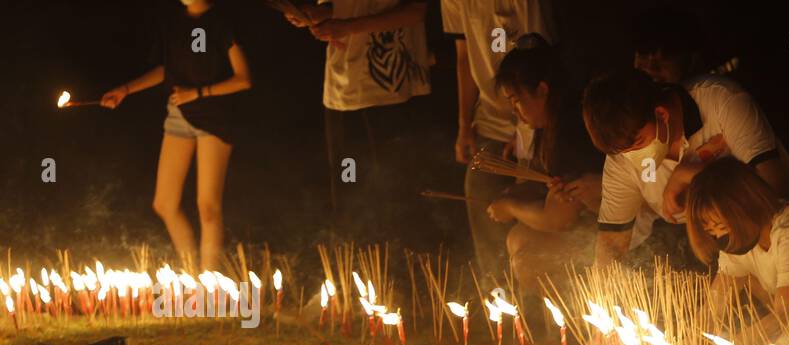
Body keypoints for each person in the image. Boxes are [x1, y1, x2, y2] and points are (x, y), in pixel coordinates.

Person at [573, 68, 789, 267]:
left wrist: (689, 174)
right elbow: (611, 243)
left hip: (777, 239)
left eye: (638, 144)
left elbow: (773, 189)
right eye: (622, 152)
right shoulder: (621, 157)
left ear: (661, 114)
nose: (633, 157)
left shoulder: (721, 102)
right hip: (706, 256)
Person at [101, 0, 252, 272]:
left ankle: (209, 284)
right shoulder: (171, 22)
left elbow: (243, 79)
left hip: (215, 117)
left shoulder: (223, 22)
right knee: (164, 203)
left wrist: (198, 93)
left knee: (207, 206)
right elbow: (165, 70)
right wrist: (125, 89)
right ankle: (191, 276)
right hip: (179, 115)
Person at [281, 2, 430, 233]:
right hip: (342, 89)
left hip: (389, 91)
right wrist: (318, 14)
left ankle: (400, 257)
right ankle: (354, 255)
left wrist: (349, 26)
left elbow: (415, 11)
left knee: (392, 187)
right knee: (348, 184)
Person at [443, 0, 555, 279]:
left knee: (527, 225)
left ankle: (537, 301)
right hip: (491, 121)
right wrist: (464, 126)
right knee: (480, 192)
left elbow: (540, 55)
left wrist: (527, 132)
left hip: (537, 122)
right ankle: (497, 296)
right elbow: (463, 56)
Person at [484, 37, 604, 294]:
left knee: (529, 260)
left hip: (616, 231)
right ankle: (555, 324)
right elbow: (545, 188)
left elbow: (559, 219)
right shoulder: (550, 127)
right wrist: (514, 195)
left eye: (516, 100)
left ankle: (571, 321)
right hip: (590, 227)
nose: (515, 111)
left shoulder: (572, 132)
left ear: (542, 89)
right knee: (518, 238)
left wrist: (511, 207)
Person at [684, 157, 789, 340]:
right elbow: (715, 303)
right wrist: (690, 341)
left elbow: (786, 313)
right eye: (711, 231)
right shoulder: (740, 240)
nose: (719, 238)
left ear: (746, 206)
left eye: (722, 227)